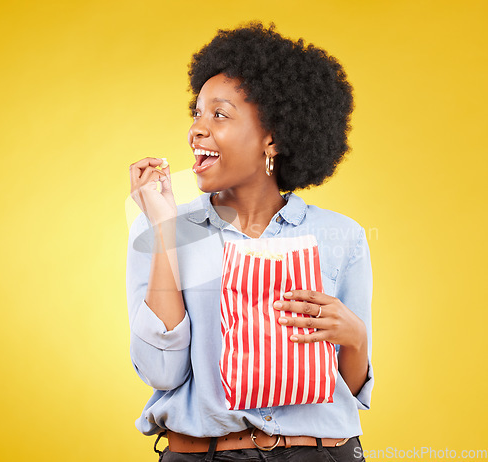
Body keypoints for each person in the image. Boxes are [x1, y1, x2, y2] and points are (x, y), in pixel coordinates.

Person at [127, 21, 373, 461]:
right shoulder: (160, 229)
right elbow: (162, 372)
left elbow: (348, 390)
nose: (197, 130)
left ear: (272, 137)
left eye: (218, 114)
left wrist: (355, 337)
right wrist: (165, 231)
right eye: (197, 114)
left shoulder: (341, 236)